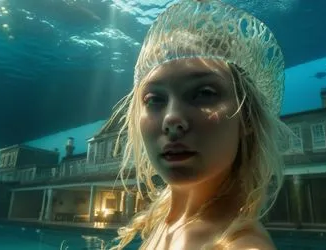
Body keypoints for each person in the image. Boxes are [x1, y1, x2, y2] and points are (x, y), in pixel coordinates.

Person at [105, 0, 291, 249]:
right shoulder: (164, 222)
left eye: (204, 93)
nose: (172, 119)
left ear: (247, 116)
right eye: (154, 99)